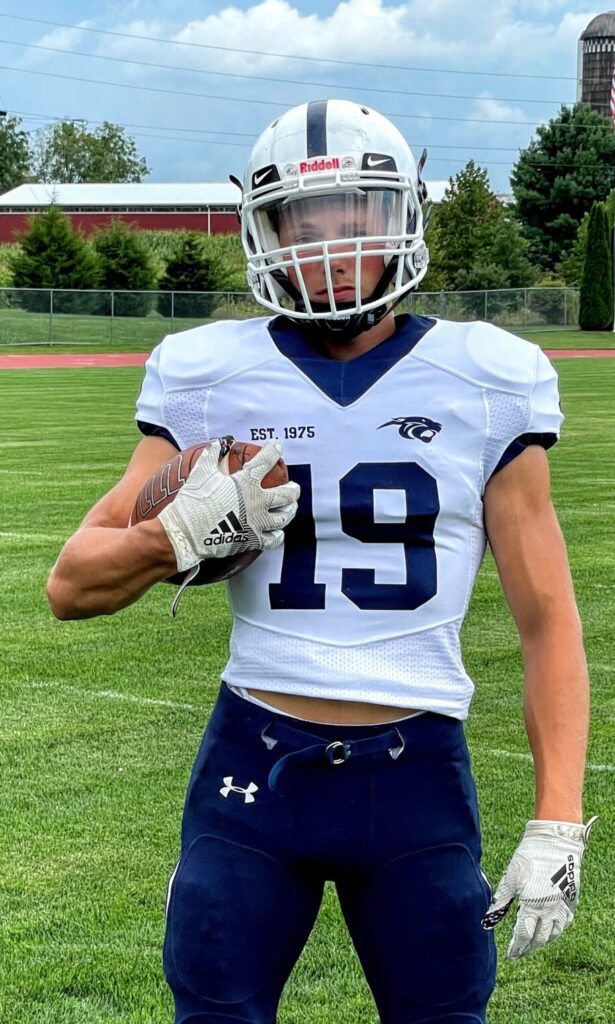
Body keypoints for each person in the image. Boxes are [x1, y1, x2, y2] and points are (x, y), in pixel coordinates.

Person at [47, 99, 596, 1024]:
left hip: (417, 772)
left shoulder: (486, 377)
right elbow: (71, 584)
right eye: (303, 226)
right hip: (251, 767)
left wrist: (556, 815)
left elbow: (547, 622)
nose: (330, 249)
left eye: (355, 221)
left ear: (401, 220)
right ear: (264, 235)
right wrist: (172, 537)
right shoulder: (209, 374)